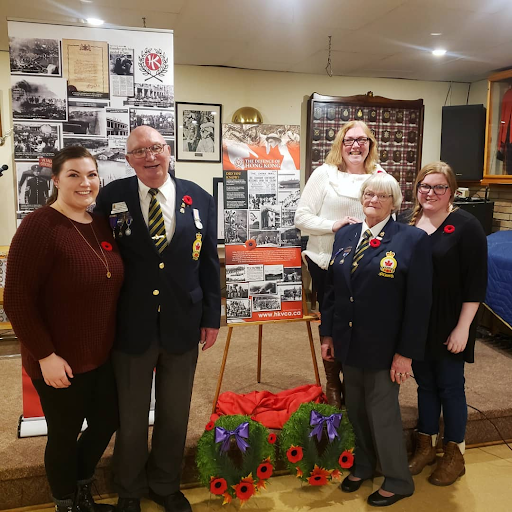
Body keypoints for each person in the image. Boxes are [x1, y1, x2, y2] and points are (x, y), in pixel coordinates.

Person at [94, 126, 221, 512]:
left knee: (175, 410)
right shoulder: (111, 197)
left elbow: (209, 261)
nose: (149, 157)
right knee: (131, 417)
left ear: (169, 152)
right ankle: (129, 489)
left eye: (156, 148)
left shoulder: (198, 198)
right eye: (139, 152)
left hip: (184, 320)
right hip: (131, 323)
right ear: (128, 159)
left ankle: (165, 484)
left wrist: (212, 317)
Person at [4, 147, 124, 512]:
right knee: (63, 435)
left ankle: (82, 487)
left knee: (107, 422)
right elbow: (17, 301)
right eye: (73, 175)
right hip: (58, 360)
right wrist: (45, 355)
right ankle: (66, 503)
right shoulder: (39, 226)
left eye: (91, 174)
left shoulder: (101, 223)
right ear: (56, 180)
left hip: (101, 355)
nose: (85, 183)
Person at [320, 173, 432, 507]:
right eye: (368, 193)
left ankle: (398, 479)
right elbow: (331, 291)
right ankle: (365, 465)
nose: (373, 199)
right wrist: (327, 334)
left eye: (382, 195)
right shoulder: (346, 235)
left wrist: (406, 354)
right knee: (355, 409)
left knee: (382, 412)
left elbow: (419, 303)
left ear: (395, 203)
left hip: (386, 348)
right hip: (348, 341)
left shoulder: (411, 240)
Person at [402, 162, 488, 486]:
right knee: (425, 385)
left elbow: (476, 283)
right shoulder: (410, 223)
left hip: (452, 322)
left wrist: (463, 327)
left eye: (439, 187)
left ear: (451, 191)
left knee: (450, 386)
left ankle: (454, 453)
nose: (431, 193)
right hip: (418, 323)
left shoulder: (467, 226)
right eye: (425, 186)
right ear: (417, 189)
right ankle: (425, 445)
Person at [294, 120, 384, 408]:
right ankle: (333, 383)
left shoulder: (380, 177)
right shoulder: (324, 174)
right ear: (340, 145)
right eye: (349, 140)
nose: (355, 145)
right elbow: (301, 218)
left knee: (360, 321)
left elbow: (388, 218)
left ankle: (355, 380)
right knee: (331, 322)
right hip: (326, 263)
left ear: (370, 144)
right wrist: (336, 226)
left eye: (362, 140)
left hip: (365, 265)